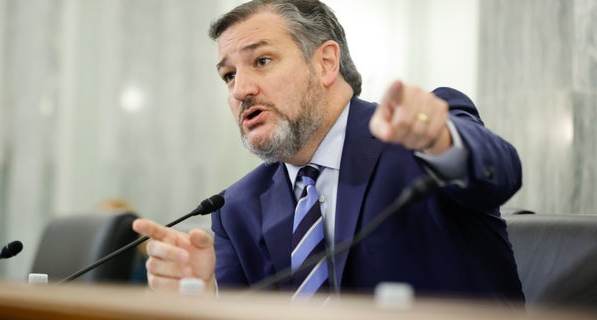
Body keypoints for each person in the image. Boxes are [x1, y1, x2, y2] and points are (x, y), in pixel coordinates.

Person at [132, 0, 524, 304]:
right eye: (229, 75)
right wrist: (205, 297)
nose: (240, 90)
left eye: (262, 60)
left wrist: (441, 139)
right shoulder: (237, 209)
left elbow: (500, 174)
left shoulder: (417, 141)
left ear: (325, 63)